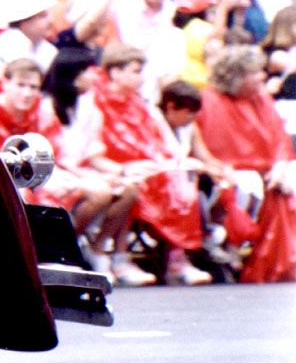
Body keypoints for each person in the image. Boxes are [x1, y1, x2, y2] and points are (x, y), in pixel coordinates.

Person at [69, 44, 211, 286]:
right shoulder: (94, 101)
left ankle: (176, 257)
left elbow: (154, 145)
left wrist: (169, 163)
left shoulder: (139, 104)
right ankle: (120, 257)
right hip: (104, 168)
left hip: (140, 166)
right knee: (138, 184)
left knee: (180, 176)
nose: (141, 78)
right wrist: (126, 168)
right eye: (135, 71)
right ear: (114, 72)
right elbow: (89, 152)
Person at [0, 59, 139, 276]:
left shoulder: (43, 112)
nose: (28, 93)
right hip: (6, 178)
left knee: (108, 191)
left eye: (33, 87)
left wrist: (66, 177)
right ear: (5, 84)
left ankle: (60, 249)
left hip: (45, 173)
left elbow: (54, 155)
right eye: (21, 85)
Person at [197, 46, 296, 282]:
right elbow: (219, 149)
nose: (262, 76)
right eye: (255, 72)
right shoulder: (211, 102)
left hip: (267, 167)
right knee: (247, 184)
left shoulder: (261, 99)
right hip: (229, 171)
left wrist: (279, 166)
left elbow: (279, 138)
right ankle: (228, 247)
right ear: (237, 76)